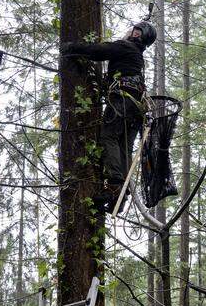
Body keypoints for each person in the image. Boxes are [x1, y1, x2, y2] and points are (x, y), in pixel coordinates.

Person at [62, 19, 157, 212]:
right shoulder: (137, 56)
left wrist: (72, 48)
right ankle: (120, 197)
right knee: (124, 146)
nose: (131, 31)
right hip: (135, 108)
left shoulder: (126, 47)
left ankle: (114, 186)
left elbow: (98, 51)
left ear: (138, 34)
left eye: (135, 30)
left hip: (122, 101)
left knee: (109, 137)